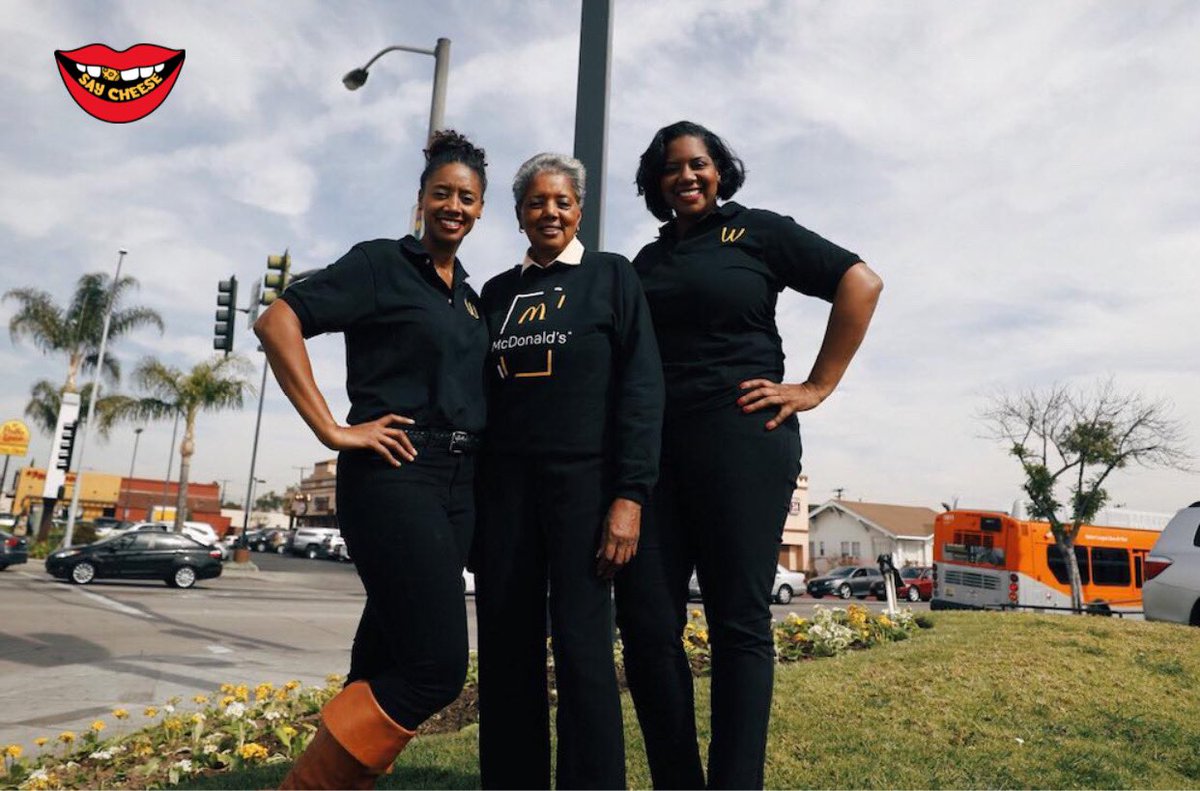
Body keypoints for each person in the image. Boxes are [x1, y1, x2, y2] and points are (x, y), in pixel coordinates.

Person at [614, 120, 884, 789]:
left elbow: (861, 282)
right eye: (672, 167)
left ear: (718, 170)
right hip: (656, 456)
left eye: (699, 163)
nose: (687, 176)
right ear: (656, 181)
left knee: (738, 620)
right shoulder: (646, 263)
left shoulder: (756, 231)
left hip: (742, 440)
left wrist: (816, 386)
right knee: (647, 623)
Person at [254, 130, 490, 790]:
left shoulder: (471, 298)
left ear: (480, 209)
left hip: (459, 485)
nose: (454, 205)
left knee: (385, 652)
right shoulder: (381, 264)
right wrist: (333, 428)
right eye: (441, 192)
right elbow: (279, 321)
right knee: (437, 667)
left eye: (466, 197)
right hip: (396, 475)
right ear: (420, 201)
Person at [474, 152, 664, 789]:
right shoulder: (496, 294)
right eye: (536, 202)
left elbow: (641, 389)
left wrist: (630, 495)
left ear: (578, 211)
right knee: (506, 649)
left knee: (583, 652)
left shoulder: (612, 278)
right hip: (505, 493)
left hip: (586, 491)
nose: (549, 212)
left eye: (562, 202)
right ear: (520, 214)